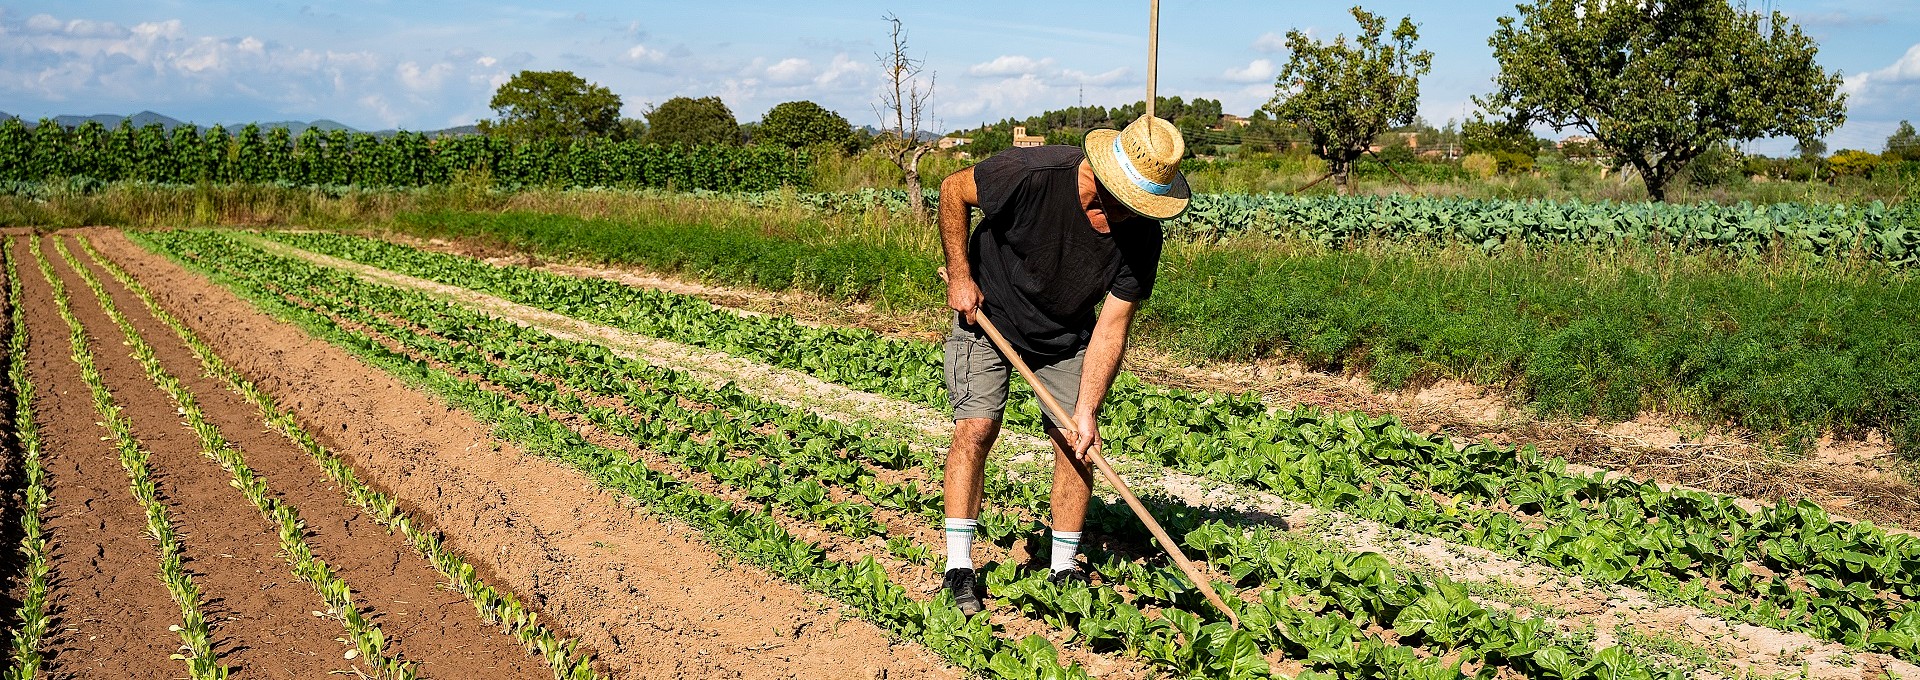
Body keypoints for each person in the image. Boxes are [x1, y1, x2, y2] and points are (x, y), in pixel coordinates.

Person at [936, 114, 1189, 615]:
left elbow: (1112, 326)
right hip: (988, 313)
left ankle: (1063, 567)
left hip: (1065, 333)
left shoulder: (1142, 238)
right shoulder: (1031, 173)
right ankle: (958, 567)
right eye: (1125, 203)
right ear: (1098, 176)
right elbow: (951, 191)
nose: (1129, 216)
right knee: (976, 427)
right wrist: (961, 276)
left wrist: (1088, 409)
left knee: (1076, 441)